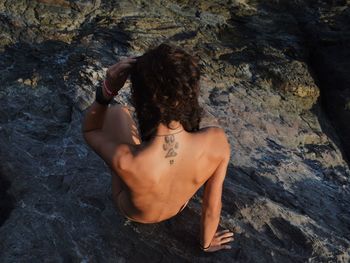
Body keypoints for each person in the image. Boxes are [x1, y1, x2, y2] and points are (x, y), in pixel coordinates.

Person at [82, 43, 234, 252]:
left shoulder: (125, 159)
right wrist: (206, 244)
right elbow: (211, 205)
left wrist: (107, 91)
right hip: (176, 209)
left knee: (117, 113)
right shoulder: (217, 141)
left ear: (143, 100)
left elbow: (90, 132)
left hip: (133, 212)